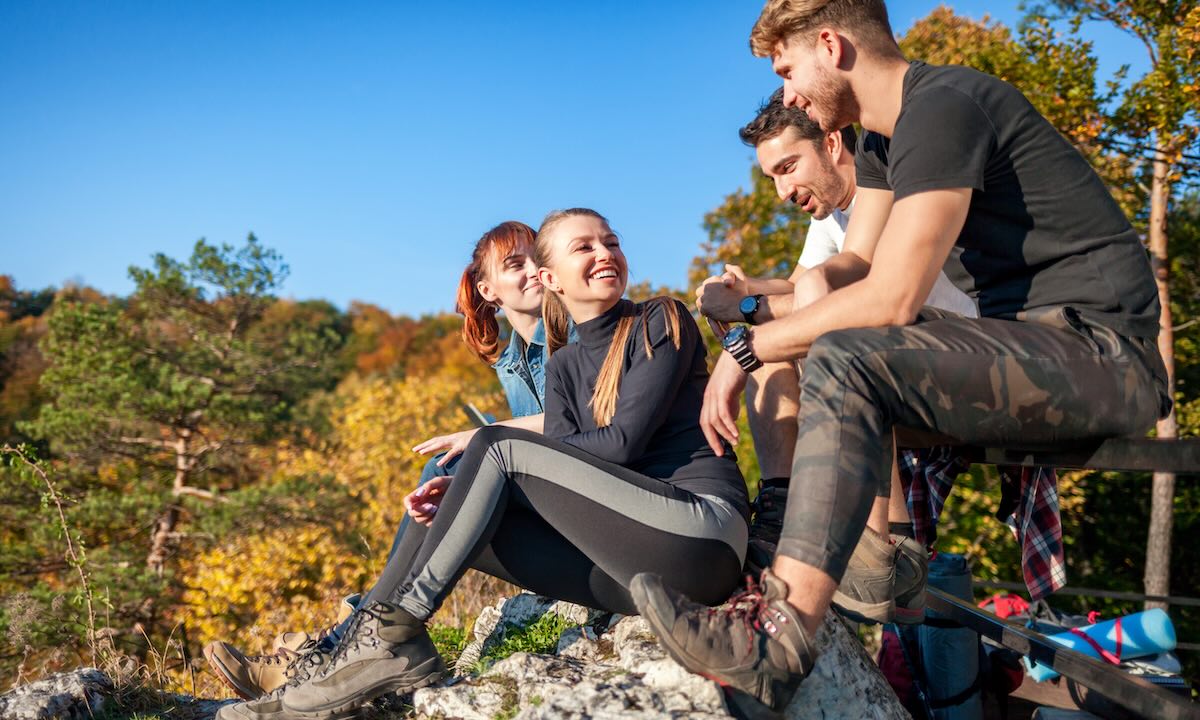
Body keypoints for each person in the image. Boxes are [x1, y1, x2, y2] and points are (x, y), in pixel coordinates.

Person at [630, 0, 1170, 713]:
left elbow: (890, 298)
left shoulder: (943, 107)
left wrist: (749, 346)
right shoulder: (882, 144)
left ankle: (780, 637)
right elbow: (854, 267)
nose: (787, 93)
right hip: (1028, 354)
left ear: (831, 44)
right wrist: (769, 309)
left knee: (849, 354)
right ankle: (872, 563)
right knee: (834, 348)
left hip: (1101, 357)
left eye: (788, 71)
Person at [216, 208, 750, 720]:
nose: (604, 252)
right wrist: (467, 498)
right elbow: (561, 490)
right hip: (631, 573)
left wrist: (488, 470)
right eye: (583, 246)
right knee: (465, 516)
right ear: (553, 277)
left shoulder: (660, 317)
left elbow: (623, 445)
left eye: (611, 242)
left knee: (493, 446)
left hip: (699, 537)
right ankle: (369, 654)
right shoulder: (562, 366)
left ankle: (389, 633)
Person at [204, 220, 557, 701]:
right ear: (488, 289)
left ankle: (340, 648)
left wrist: (484, 435)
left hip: (581, 509)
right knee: (441, 475)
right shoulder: (512, 358)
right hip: (550, 497)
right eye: (516, 264)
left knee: (453, 464)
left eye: (539, 258)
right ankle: (349, 644)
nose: (534, 271)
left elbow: (576, 425)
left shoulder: (571, 329)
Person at [702, 92, 979, 624]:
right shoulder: (832, 216)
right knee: (779, 347)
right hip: (894, 361)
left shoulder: (890, 186)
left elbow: (840, 287)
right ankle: (780, 515)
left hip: (955, 356)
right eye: (772, 179)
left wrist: (744, 318)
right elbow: (804, 282)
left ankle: (883, 546)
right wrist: (745, 291)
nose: (783, 192)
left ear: (831, 143)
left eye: (788, 168)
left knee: (795, 324)